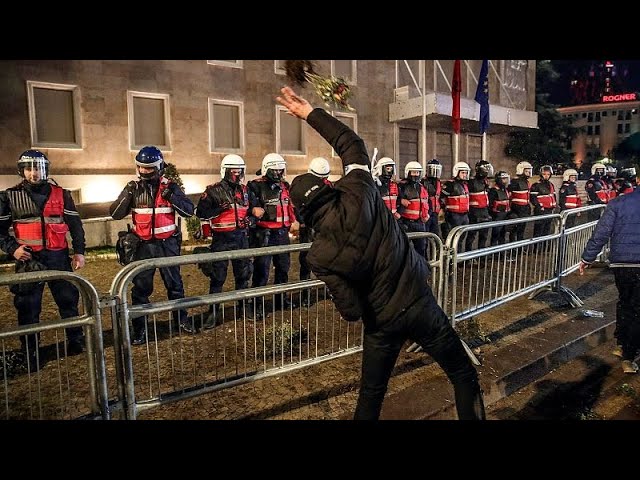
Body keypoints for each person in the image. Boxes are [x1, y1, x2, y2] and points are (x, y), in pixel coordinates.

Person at [277, 85, 485, 420]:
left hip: (381, 324)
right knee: (463, 374)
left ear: (302, 212)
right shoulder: (359, 191)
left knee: (370, 398)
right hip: (420, 304)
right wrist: (309, 113)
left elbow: (351, 310)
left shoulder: (318, 256)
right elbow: (351, 144)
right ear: (328, 186)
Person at [0, 150, 86, 371]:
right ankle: (30, 351)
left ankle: (76, 340)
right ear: (22, 171)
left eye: (38, 168)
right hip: (29, 260)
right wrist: (13, 249)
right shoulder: (9, 196)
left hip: (58, 257)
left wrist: (79, 252)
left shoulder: (62, 194)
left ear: (46, 169)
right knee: (28, 308)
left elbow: (75, 226)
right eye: (29, 169)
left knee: (68, 301)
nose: (34, 173)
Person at [110, 146, 195, 345]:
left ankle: (181, 321)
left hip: (167, 245)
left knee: (175, 285)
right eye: (141, 167)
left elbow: (189, 211)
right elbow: (115, 213)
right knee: (140, 289)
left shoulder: (171, 187)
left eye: (149, 168)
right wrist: (127, 194)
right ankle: (140, 329)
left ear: (159, 167)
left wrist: (171, 196)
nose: (145, 171)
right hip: (143, 246)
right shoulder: (133, 187)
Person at [579, 171, 640, 374]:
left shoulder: (618, 203)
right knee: (636, 309)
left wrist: (587, 257)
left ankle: (622, 344)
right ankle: (629, 357)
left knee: (626, 302)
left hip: (621, 264)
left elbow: (601, 232)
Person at [195, 154, 254, 328]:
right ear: (225, 171)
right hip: (221, 240)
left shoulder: (245, 190)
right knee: (217, 278)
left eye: (239, 171)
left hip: (241, 238)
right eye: (233, 171)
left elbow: (252, 211)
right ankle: (213, 312)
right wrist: (217, 210)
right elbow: (201, 213)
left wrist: (250, 221)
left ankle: (243, 307)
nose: (237, 175)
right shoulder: (212, 190)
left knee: (243, 276)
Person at [247, 152, 297, 319]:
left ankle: (281, 299)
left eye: (280, 170)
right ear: (266, 169)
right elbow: (249, 205)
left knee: (283, 269)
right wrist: (254, 210)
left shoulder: (285, 186)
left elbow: (290, 206)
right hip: (264, 234)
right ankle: (256, 305)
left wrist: (295, 220)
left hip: (282, 233)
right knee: (262, 272)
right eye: (274, 171)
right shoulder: (255, 185)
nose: (278, 174)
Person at [298, 157, 331, 307]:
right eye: (320, 177)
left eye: (325, 177)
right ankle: (305, 295)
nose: (323, 180)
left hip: (325, 230)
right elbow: (297, 207)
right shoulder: (302, 187)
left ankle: (330, 291)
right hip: (309, 229)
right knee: (306, 263)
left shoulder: (329, 186)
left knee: (329, 262)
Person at [397, 161, 430, 259]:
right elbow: (393, 200)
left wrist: (427, 215)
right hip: (406, 222)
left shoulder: (422, 187)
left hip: (420, 223)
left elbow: (427, 202)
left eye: (417, 172)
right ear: (408, 172)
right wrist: (400, 200)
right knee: (404, 249)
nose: (416, 174)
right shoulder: (402, 186)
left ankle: (420, 270)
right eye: (413, 172)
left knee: (421, 247)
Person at [465, 160, 493, 252]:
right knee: (471, 235)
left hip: (484, 211)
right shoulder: (472, 182)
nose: (487, 171)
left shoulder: (485, 182)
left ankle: (481, 256)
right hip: (474, 212)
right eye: (486, 169)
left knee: (484, 236)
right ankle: (468, 256)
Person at [441, 162, 470, 249]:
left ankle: (458, 259)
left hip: (464, 215)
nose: (464, 175)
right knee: (452, 239)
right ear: (456, 172)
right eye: (462, 173)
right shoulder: (450, 184)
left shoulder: (465, 185)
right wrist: (443, 210)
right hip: (453, 215)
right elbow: (441, 197)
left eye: (466, 173)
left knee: (460, 239)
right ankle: (450, 260)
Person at [529, 165, 557, 242]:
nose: (546, 176)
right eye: (544, 174)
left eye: (548, 174)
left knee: (547, 230)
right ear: (541, 174)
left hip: (549, 210)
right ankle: (536, 248)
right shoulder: (536, 185)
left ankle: (545, 247)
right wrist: (539, 207)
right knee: (538, 230)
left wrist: (554, 206)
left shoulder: (551, 185)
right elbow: (533, 198)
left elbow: (553, 196)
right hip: (540, 211)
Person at [507, 161, 532, 243]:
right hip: (517, 209)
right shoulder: (515, 182)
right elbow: (509, 195)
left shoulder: (527, 182)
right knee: (514, 230)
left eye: (529, 171)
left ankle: (519, 247)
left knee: (522, 229)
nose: (528, 173)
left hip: (524, 209)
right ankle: (513, 248)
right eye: (526, 171)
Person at [421, 159, 443, 239]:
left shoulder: (438, 182)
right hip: (427, 213)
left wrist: (441, 208)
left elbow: (439, 197)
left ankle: (434, 251)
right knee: (425, 236)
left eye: (437, 170)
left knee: (436, 236)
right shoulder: (423, 182)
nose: (435, 172)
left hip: (435, 213)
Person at [488, 171, 511, 246]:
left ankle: (501, 254)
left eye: (506, 179)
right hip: (497, 216)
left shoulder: (505, 190)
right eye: (503, 179)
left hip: (505, 215)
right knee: (495, 235)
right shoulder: (493, 191)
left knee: (503, 235)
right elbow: (490, 205)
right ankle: (493, 252)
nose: (505, 181)